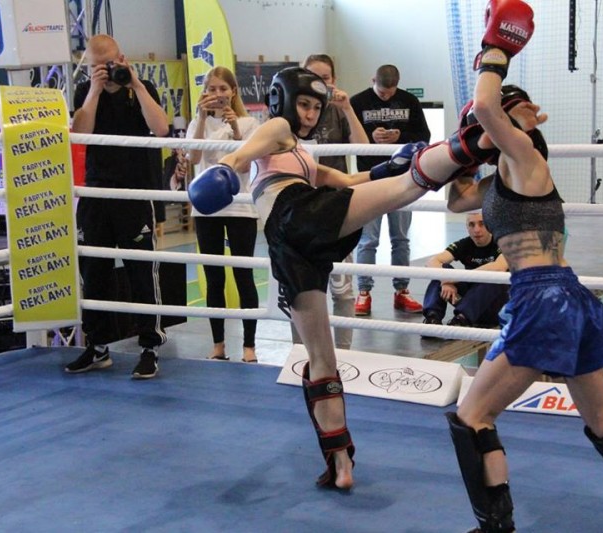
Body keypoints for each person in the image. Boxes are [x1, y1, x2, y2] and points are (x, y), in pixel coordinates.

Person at [439, 2, 603, 531]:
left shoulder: (526, 157)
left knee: (473, 416)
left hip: (542, 298)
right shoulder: (502, 175)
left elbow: (487, 106)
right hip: (566, 297)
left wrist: (496, 52)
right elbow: (455, 199)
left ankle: (495, 527)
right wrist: (469, 148)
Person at [186, 66, 495, 490]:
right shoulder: (277, 128)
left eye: (316, 107)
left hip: (292, 249)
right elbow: (242, 156)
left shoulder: (301, 152)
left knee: (322, 359)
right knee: (407, 188)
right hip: (296, 215)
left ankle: (340, 463)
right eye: (304, 104)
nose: (310, 114)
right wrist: (223, 168)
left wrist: (390, 165)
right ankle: (475, 140)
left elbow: (349, 180)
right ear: (282, 102)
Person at [65, 34, 169, 380]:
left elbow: (161, 128)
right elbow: (79, 135)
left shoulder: (142, 88)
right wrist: (94, 91)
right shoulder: (85, 92)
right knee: (94, 272)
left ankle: (150, 347)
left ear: (121, 58)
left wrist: (135, 83)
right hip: (96, 193)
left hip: (134, 194)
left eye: (110, 64)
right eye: (98, 67)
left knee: (141, 272)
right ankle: (97, 346)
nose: (106, 71)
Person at [287, 53, 370, 351]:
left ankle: (344, 354)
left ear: (334, 80)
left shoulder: (336, 111)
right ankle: (301, 354)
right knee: (299, 288)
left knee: (342, 288)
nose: (318, 83)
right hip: (298, 206)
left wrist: (347, 108)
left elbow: (364, 149)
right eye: (312, 76)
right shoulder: (289, 111)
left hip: (335, 206)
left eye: (324, 78)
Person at [184, 66, 260, 363]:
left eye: (222, 89)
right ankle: (218, 345)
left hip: (240, 206)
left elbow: (245, 165)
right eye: (212, 89)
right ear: (204, 92)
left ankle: (249, 347)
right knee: (214, 277)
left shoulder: (249, 123)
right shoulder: (197, 123)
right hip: (207, 208)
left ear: (233, 92)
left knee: (243, 275)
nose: (217, 94)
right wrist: (202, 119)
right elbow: (193, 158)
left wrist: (236, 129)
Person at [350, 64, 431, 316]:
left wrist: (400, 136)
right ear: (372, 80)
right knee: (368, 240)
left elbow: (424, 137)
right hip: (370, 179)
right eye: (381, 92)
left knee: (401, 239)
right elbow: (349, 137)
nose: (385, 96)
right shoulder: (358, 102)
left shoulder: (409, 101)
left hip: (402, 180)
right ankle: (364, 292)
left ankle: (402, 290)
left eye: (390, 92)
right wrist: (370, 136)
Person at [421, 211, 508, 333]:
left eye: (482, 224)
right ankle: (432, 317)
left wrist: (455, 278)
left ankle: (462, 318)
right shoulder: (464, 244)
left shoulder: (503, 242)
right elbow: (432, 261)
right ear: (467, 227)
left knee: (493, 277)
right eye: (471, 225)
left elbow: (500, 267)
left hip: (495, 307)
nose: (476, 230)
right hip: (469, 302)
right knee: (443, 268)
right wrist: (445, 281)